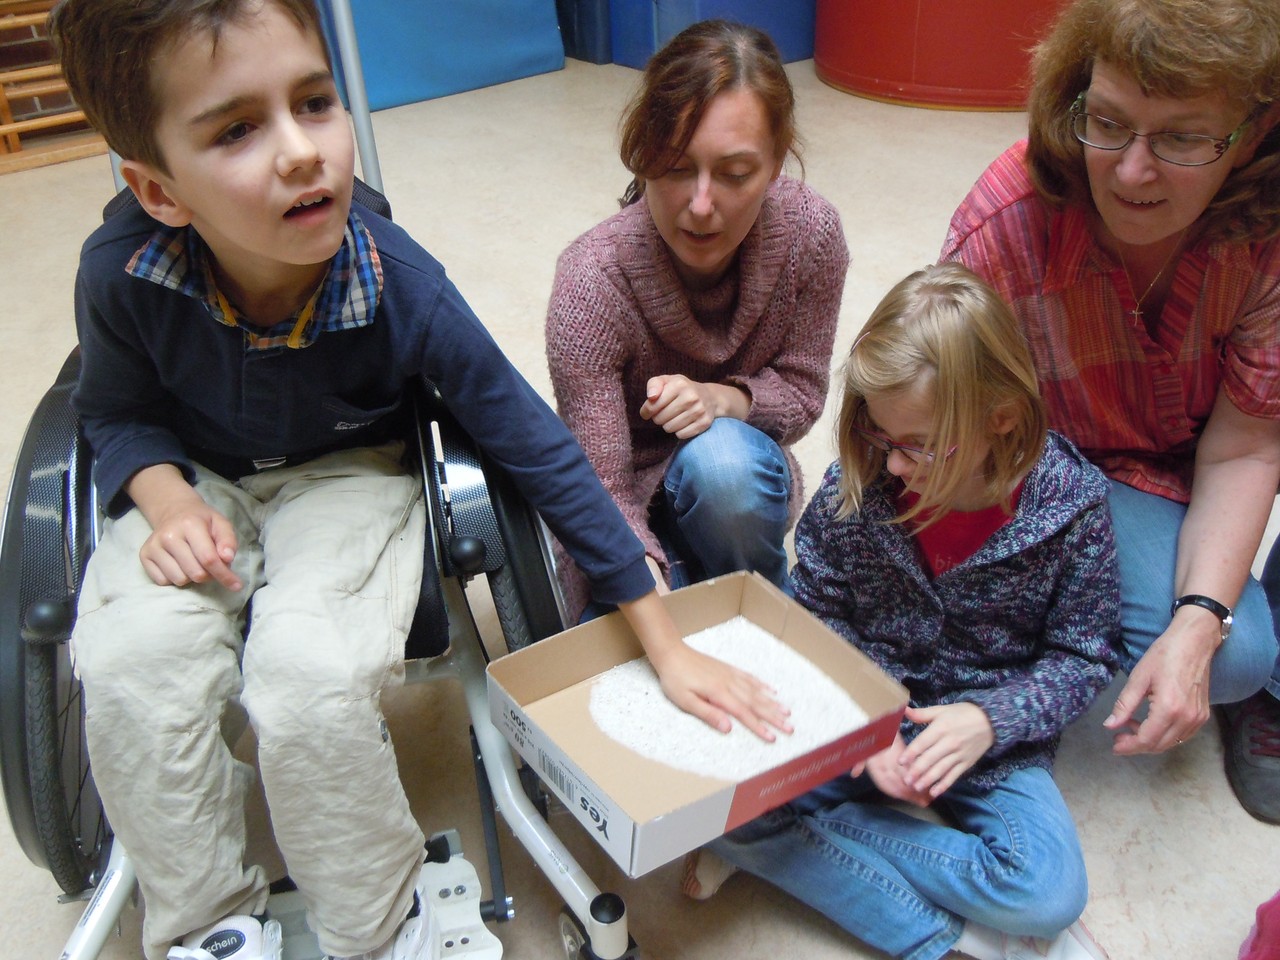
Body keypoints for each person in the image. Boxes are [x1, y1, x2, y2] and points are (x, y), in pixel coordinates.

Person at [47, 2, 791, 958]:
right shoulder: (121, 273)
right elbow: (108, 411)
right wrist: (161, 494)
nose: (300, 152)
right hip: (191, 480)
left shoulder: (400, 284)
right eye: (237, 129)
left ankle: (378, 922)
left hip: (350, 476)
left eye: (315, 103)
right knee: (126, 661)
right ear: (158, 190)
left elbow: (541, 449)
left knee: (306, 675)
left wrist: (661, 636)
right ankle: (204, 923)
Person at [687, 264, 1121, 960]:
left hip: (987, 739)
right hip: (856, 714)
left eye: (917, 445)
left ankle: (795, 840)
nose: (891, 467)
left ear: (1000, 418)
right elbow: (817, 615)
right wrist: (864, 717)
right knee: (713, 802)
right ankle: (944, 943)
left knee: (1046, 894)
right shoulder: (853, 493)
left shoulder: (1074, 509)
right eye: (880, 437)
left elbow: (1084, 654)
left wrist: (991, 719)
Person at [939, 0, 1280, 823]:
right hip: (1055, 470)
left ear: (1253, 134)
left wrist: (1197, 626)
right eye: (1109, 123)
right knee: (1241, 657)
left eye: (1183, 138)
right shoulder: (1005, 223)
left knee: (1231, 658)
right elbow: (944, 437)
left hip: (1194, 462)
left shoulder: (1264, 240)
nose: (1132, 172)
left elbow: (1242, 450)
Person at [544, 19, 849, 620]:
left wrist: (722, 400)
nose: (702, 206)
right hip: (623, 509)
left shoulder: (811, 236)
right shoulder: (591, 282)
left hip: (734, 488)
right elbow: (601, 492)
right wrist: (653, 614)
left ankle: (758, 604)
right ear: (643, 155)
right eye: (677, 168)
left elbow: (804, 393)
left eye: (736, 175)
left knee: (725, 465)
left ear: (777, 161)